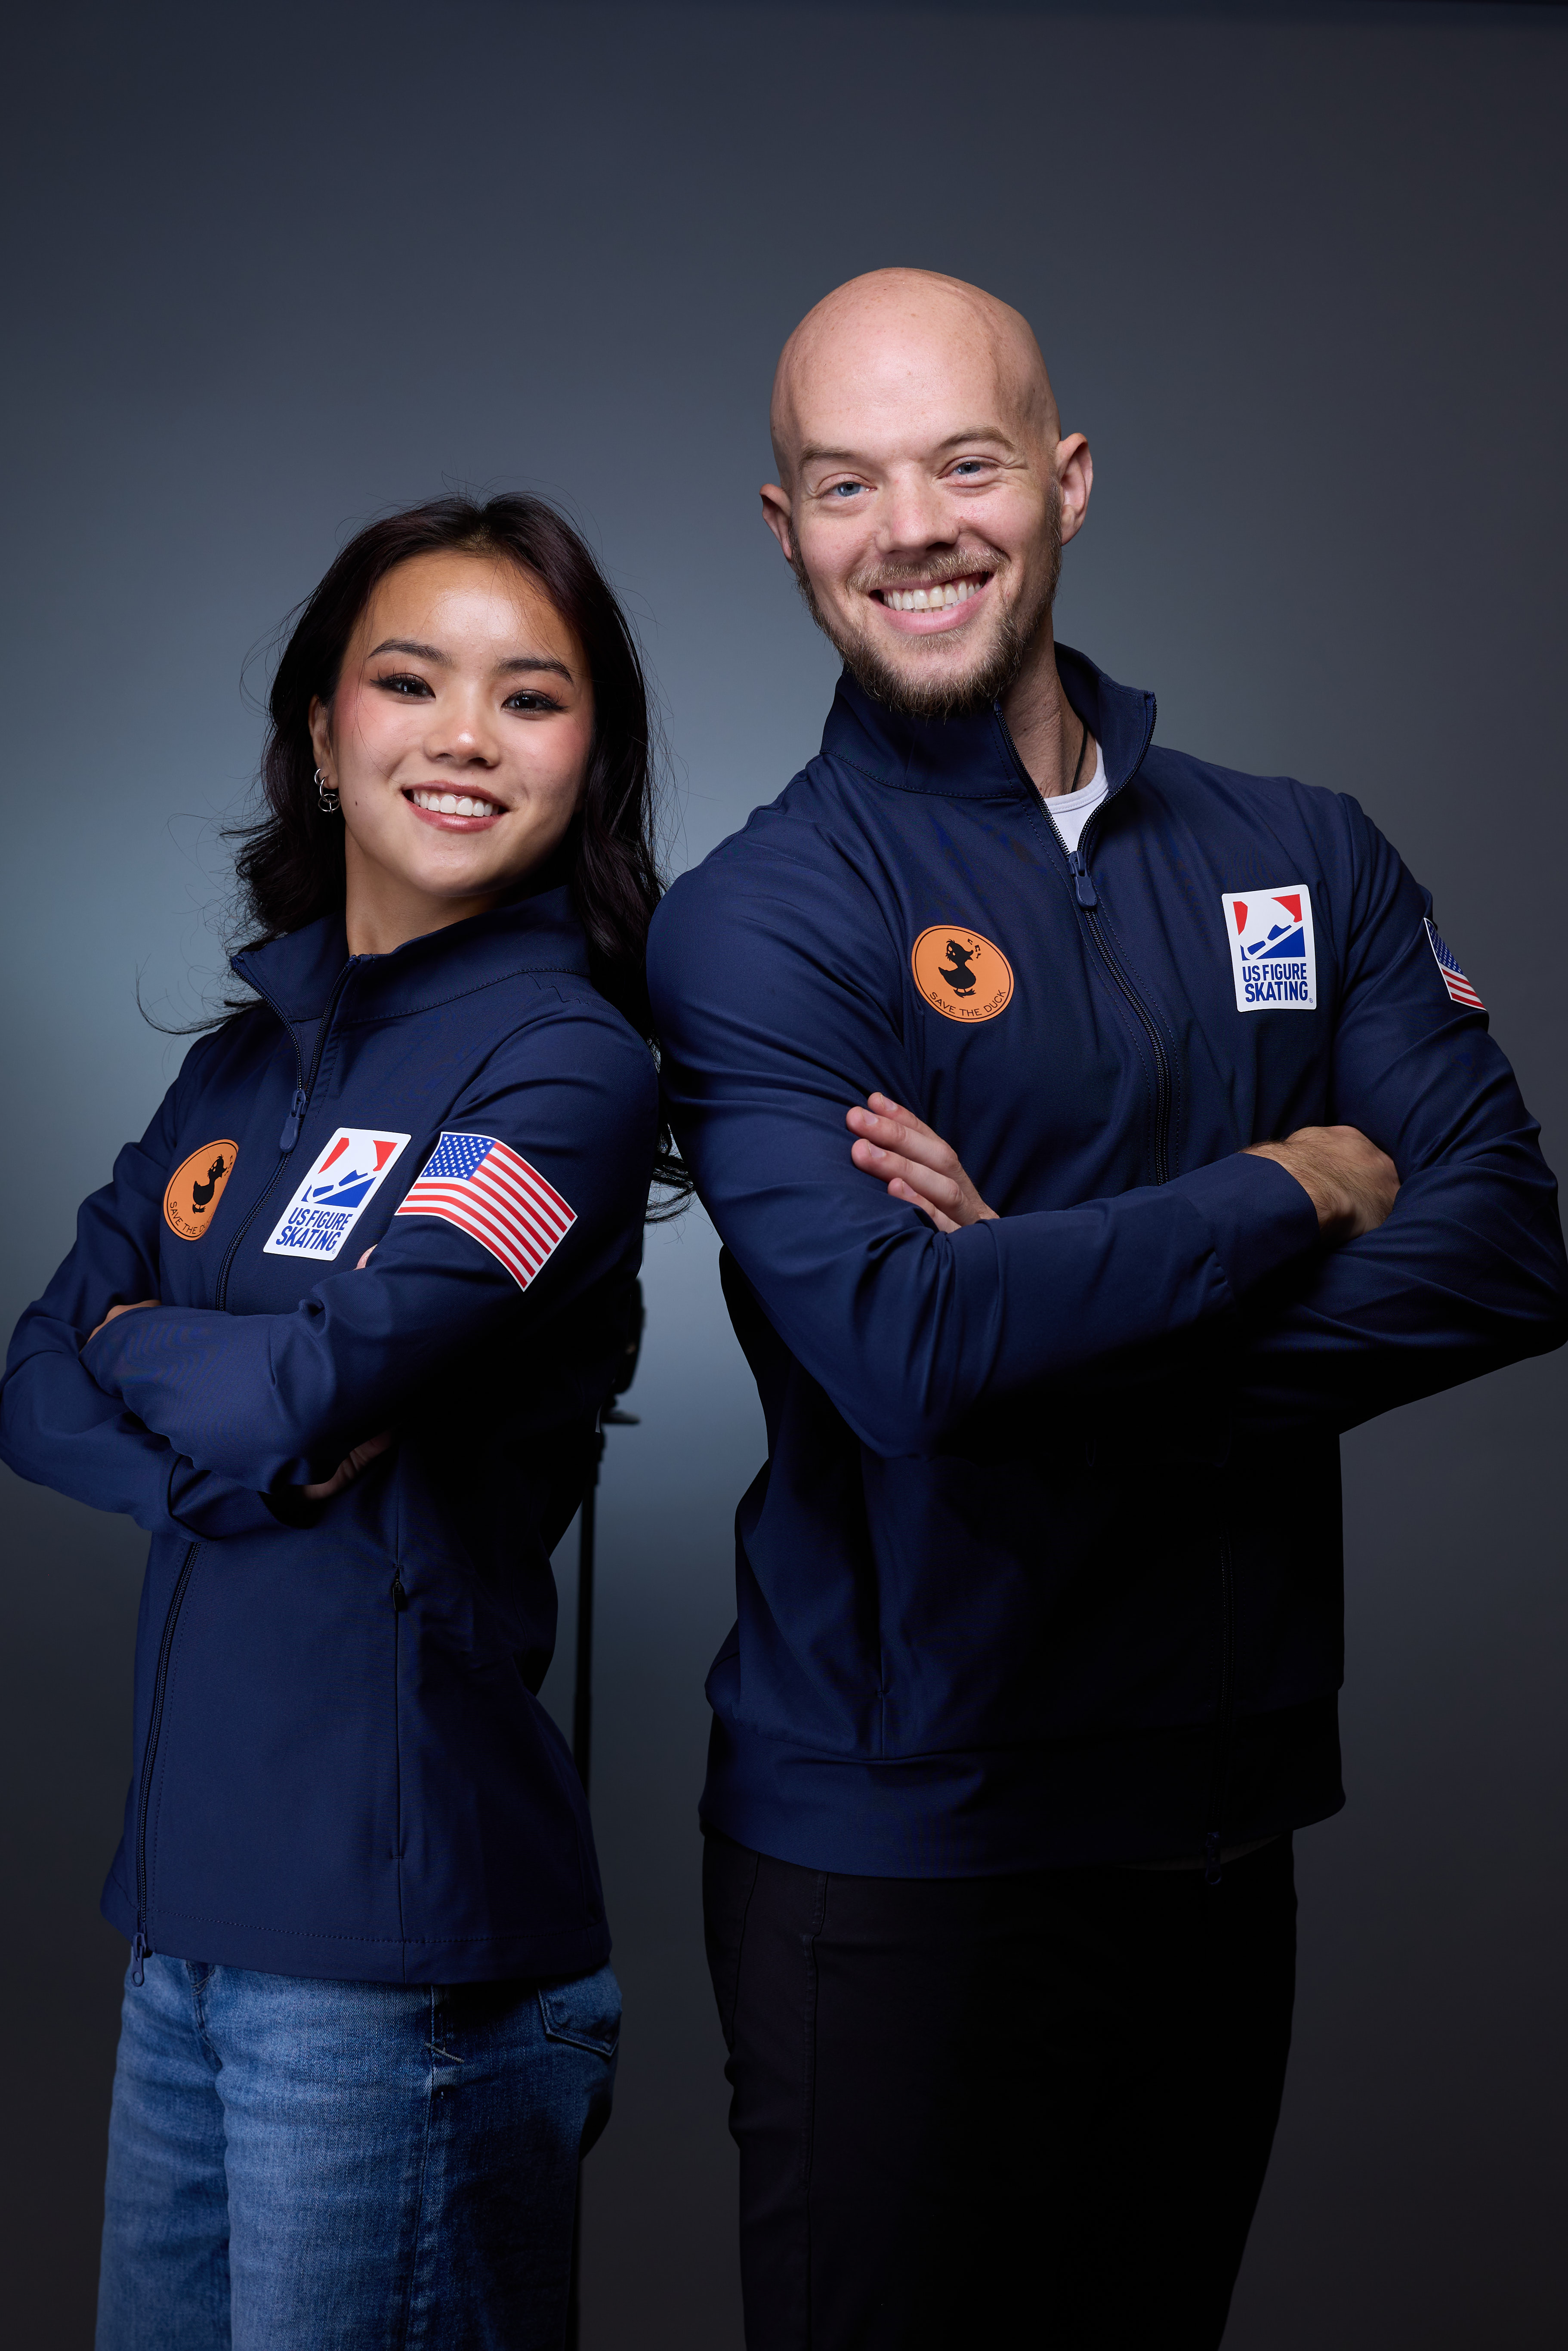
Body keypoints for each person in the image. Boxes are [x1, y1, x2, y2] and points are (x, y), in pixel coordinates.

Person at [646, 270, 1568, 2349]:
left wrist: (1045, 1339)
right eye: (843, 482)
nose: (913, 526)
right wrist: (1282, 1183)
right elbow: (898, 1352)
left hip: (1215, 1824)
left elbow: (1504, 1238)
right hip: (893, 1850)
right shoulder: (757, 920)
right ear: (781, 532)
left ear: (1063, 483)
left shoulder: (1297, 856)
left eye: (965, 462)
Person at [0, 494, 673, 2350]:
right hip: (182, 1931)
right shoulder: (233, 1063)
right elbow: (28, 1380)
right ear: (320, 728)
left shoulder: (566, 1065)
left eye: (529, 698)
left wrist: (172, 1351)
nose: (463, 735)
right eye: (408, 680)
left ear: (586, 754)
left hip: (398, 1962)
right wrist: (216, 1392)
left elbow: (304, 1380)